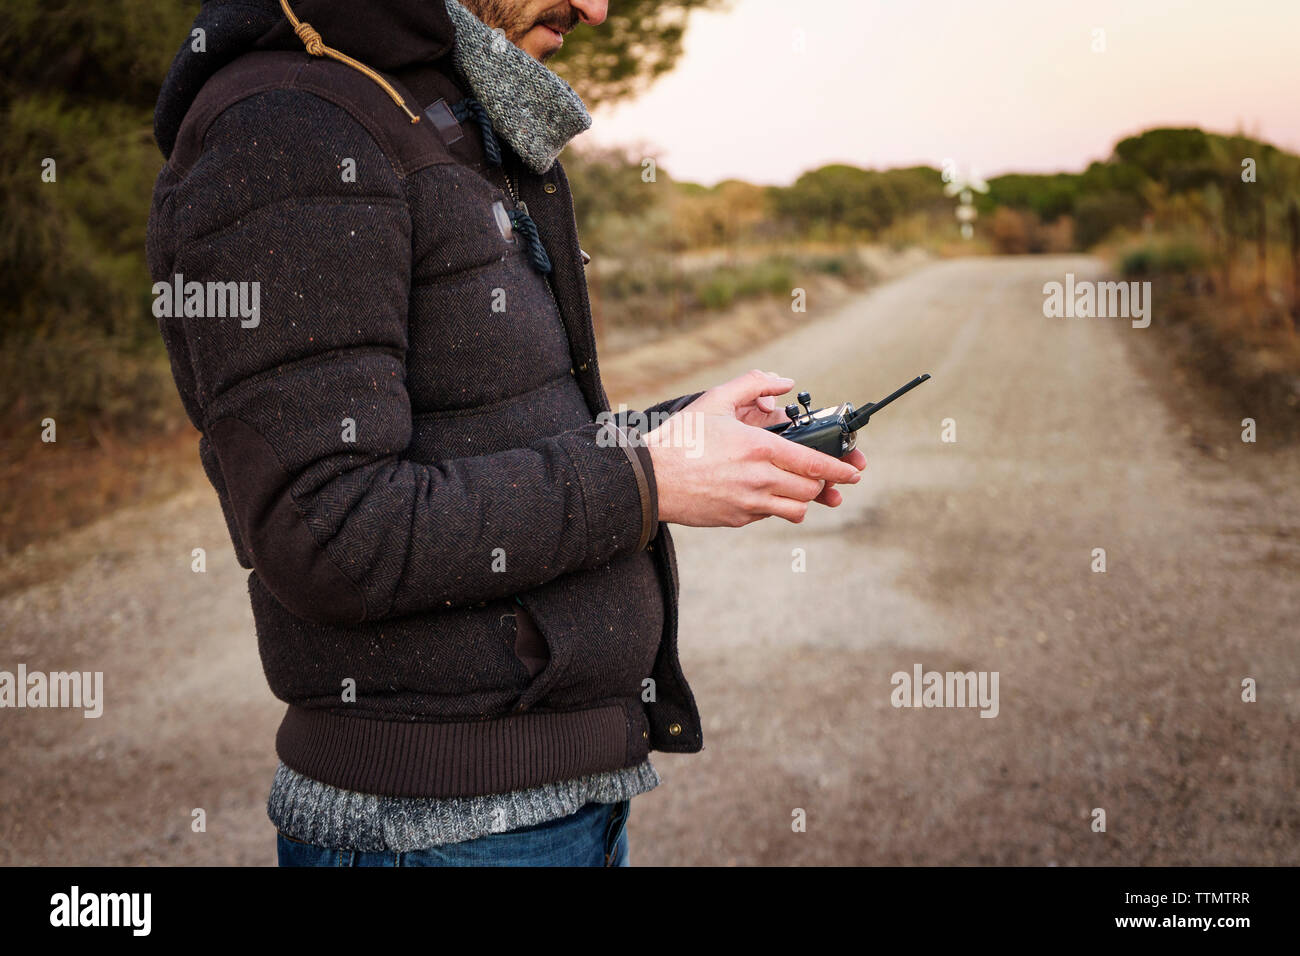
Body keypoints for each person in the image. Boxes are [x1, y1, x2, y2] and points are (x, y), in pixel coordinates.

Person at [146, 0, 866, 867]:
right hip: (433, 833)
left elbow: (487, 435)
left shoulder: (424, 113)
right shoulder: (290, 127)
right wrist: (649, 478)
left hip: (552, 816)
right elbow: (327, 529)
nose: (595, 8)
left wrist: (687, 436)